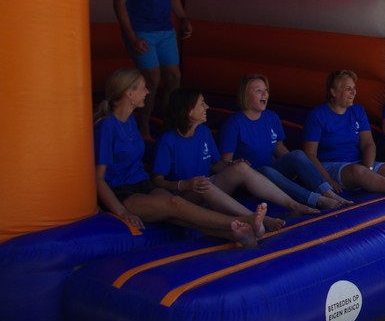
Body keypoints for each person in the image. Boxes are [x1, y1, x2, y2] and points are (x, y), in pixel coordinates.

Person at [94, 68, 267, 248]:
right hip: (122, 192)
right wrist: (122, 212)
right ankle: (243, 221)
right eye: (143, 88)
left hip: (143, 183)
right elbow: (98, 179)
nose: (147, 92)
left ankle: (240, 235)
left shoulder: (130, 120)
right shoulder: (106, 127)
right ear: (129, 94)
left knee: (178, 211)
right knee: (174, 203)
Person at [151, 87, 321, 229]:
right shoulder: (168, 140)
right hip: (185, 196)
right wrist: (184, 184)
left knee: (241, 168)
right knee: (205, 185)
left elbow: (215, 165)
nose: (207, 107)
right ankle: (259, 219)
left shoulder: (203, 132)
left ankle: (294, 205)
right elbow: (157, 181)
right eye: (202, 103)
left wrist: (231, 165)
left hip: (207, 188)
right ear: (188, 110)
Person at [219, 74, 352, 211]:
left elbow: (279, 147)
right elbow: (225, 162)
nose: (264, 94)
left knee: (297, 154)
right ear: (245, 95)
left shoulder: (271, 117)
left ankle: (329, 193)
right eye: (258, 91)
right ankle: (317, 200)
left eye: (266, 90)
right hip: (249, 179)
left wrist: (295, 165)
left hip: (272, 170)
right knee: (266, 171)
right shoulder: (234, 123)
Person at [113, 0, 192, 141]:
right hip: (141, 30)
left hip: (165, 28)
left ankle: (169, 124)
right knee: (153, 79)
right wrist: (131, 36)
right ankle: (143, 125)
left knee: (174, 76)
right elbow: (119, 2)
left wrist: (183, 17)